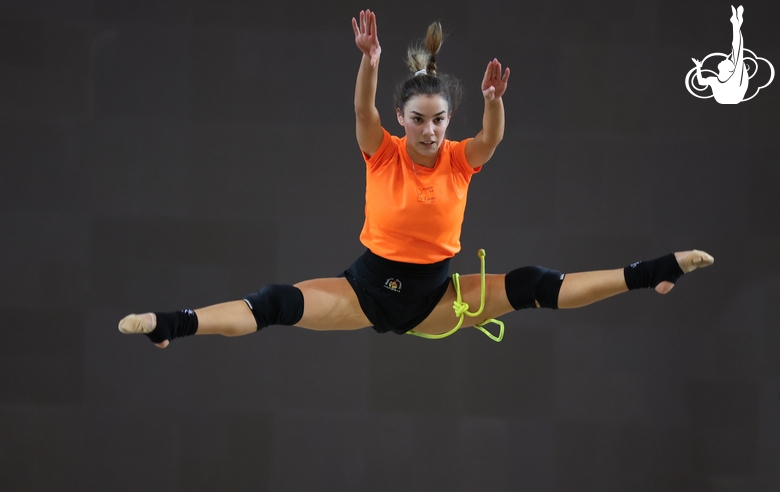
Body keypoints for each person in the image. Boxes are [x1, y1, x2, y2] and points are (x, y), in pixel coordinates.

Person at [119, 10, 714, 348]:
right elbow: (360, 113)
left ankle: (653, 273)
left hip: (437, 300)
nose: (430, 131)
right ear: (403, 121)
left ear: (448, 121)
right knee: (275, 303)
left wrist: (493, 101)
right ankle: (172, 325)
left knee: (534, 284)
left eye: (439, 121)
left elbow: (492, 139)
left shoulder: (460, 159)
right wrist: (369, 64)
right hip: (365, 290)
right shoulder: (383, 153)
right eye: (419, 121)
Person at [692, 5, 748, 104]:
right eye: (728, 61)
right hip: (731, 97)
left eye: (727, 61)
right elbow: (701, 82)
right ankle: (736, 24)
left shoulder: (726, 79)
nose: (725, 59)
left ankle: (736, 24)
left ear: (729, 69)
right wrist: (698, 67)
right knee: (737, 52)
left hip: (732, 96)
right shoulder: (716, 80)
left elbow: (738, 50)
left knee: (737, 51)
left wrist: (698, 67)